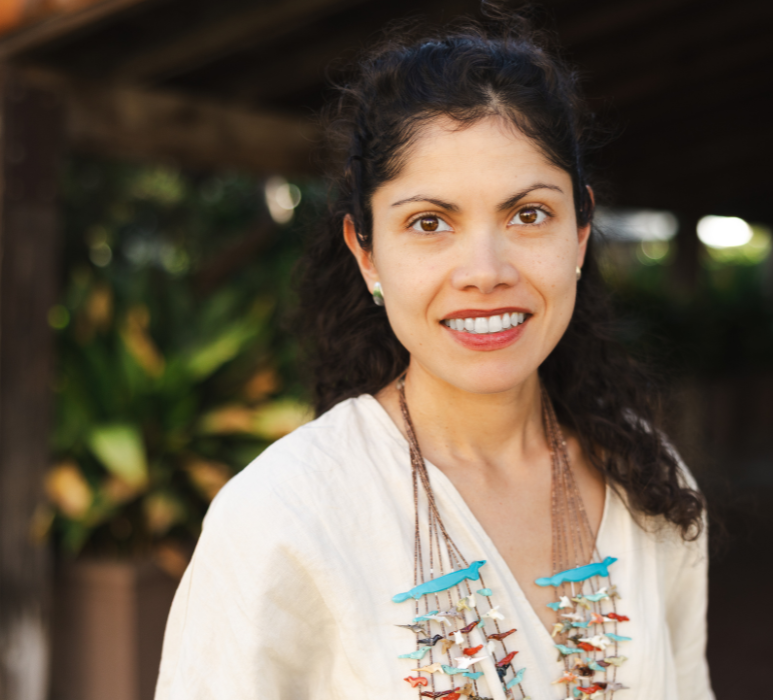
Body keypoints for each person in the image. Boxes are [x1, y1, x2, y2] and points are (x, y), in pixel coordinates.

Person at [155, 9, 714, 700]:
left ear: (580, 234)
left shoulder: (648, 482)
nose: (485, 269)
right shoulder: (286, 517)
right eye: (429, 222)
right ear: (366, 254)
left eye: (528, 214)